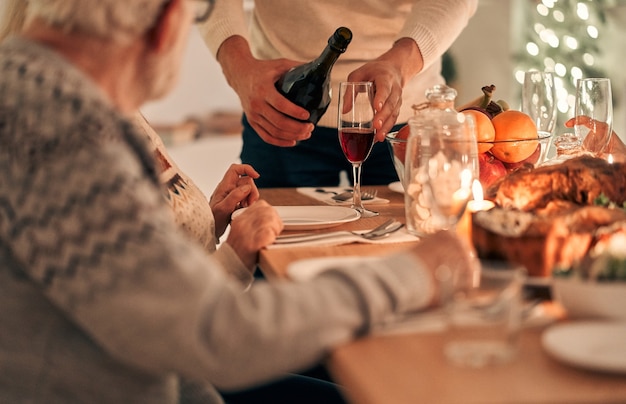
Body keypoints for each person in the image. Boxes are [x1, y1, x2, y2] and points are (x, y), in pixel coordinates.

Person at [0, 1, 476, 404]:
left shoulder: (34, 92)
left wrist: (221, 242)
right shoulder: (61, 126)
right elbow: (215, 335)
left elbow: (156, 307)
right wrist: (414, 272)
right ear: (168, 21)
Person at [199, 0, 478, 187]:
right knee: (274, 260)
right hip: (280, 109)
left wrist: (400, 63)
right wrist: (238, 67)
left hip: (402, 124)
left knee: (411, 260)